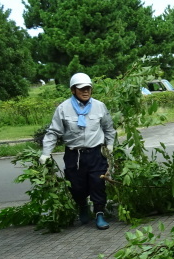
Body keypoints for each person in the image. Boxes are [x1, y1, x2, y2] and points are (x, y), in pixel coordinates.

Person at [39, 73, 116, 230]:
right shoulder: (63, 109)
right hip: (74, 154)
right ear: (73, 90)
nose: (86, 91)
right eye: (81, 89)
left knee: (97, 183)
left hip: (95, 153)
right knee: (76, 186)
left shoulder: (99, 106)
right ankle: (82, 206)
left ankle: (99, 213)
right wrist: (46, 153)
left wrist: (110, 145)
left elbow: (108, 128)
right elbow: (53, 132)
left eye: (88, 88)